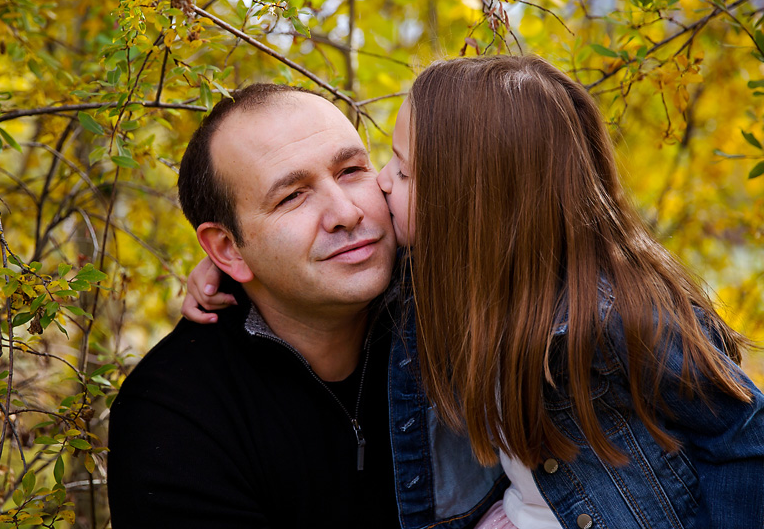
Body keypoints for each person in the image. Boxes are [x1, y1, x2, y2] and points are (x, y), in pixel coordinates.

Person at [187, 56, 764, 528]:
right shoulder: (439, 283)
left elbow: (746, 439)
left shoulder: (615, 317)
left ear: (470, 205)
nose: (381, 186)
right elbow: (311, 272)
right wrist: (233, 269)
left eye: (402, 170)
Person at [107, 83, 506, 529]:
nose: (346, 212)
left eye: (352, 170)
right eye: (292, 196)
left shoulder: (463, 296)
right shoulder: (175, 418)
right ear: (227, 249)